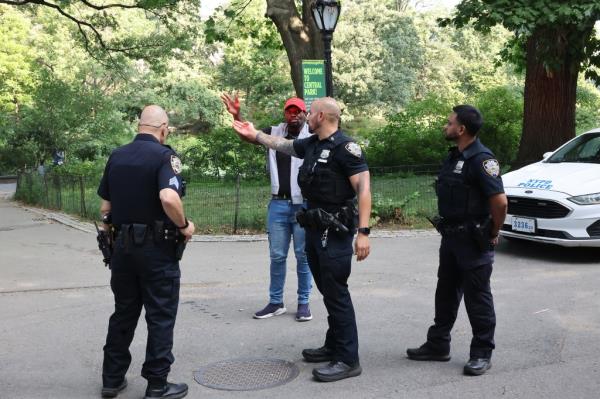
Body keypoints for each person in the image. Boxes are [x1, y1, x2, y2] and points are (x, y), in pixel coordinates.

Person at [232, 97, 372, 382]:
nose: (307, 116)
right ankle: (334, 345)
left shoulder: (346, 148)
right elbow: (282, 145)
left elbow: (364, 189)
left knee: (337, 292)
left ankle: (348, 359)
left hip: (335, 232)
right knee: (327, 290)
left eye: (310, 112)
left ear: (321, 116)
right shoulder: (312, 144)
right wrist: (254, 133)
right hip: (314, 228)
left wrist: (364, 232)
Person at [97, 105, 195, 399]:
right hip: (156, 249)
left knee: (124, 312)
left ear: (140, 126)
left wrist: (112, 241)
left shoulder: (117, 156)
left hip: (122, 249)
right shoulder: (166, 156)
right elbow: (168, 196)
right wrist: (185, 226)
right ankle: (157, 384)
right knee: (160, 315)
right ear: (163, 128)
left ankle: (112, 379)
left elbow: (105, 210)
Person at [406, 105, 507, 376]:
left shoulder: (482, 160)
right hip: (450, 238)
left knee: (477, 298)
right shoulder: (455, 157)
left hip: (473, 240)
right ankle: (438, 345)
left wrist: (493, 232)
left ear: (461, 129)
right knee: (446, 293)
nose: (445, 126)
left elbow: (499, 201)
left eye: (449, 123)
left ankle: (482, 353)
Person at [221, 93, 313, 321]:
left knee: (303, 255)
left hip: (303, 204)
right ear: (284, 113)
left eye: (298, 111)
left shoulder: (311, 136)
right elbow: (249, 135)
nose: (293, 115)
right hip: (278, 204)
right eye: (289, 111)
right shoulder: (274, 132)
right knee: (277, 255)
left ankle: (304, 302)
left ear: (305, 114)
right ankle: (275, 302)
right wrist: (237, 115)